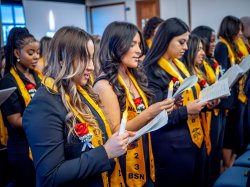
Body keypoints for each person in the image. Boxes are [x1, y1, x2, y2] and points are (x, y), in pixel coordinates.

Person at [23, 26, 131, 187]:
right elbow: (50, 176)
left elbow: (93, 141)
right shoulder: (43, 105)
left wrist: (117, 142)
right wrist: (106, 152)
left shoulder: (81, 91)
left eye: (91, 58)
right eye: (84, 59)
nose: (92, 67)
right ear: (62, 59)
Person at [93, 21, 174, 187]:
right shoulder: (104, 85)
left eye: (139, 44)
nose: (140, 50)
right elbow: (116, 132)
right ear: (115, 46)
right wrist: (150, 113)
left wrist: (162, 110)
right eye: (133, 45)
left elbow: (140, 112)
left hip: (143, 153)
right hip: (123, 163)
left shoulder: (132, 75)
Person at [143, 18, 213, 186]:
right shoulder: (151, 71)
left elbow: (186, 100)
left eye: (186, 42)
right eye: (181, 42)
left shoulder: (178, 65)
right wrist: (186, 110)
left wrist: (205, 103)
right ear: (166, 40)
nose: (186, 48)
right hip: (170, 147)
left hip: (191, 138)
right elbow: (156, 119)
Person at [0, 27, 40, 187]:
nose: (36, 56)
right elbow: (15, 120)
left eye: (38, 52)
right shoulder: (8, 81)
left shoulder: (37, 75)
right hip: (22, 148)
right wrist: (44, 122)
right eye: (31, 53)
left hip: (39, 142)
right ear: (17, 54)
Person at [214, 15, 245, 171]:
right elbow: (222, 74)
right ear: (231, 28)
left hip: (236, 96)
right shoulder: (221, 46)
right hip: (228, 98)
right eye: (238, 29)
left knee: (234, 133)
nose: (240, 33)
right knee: (228, 134)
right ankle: (227, 166)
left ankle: (230, 163)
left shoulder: (232, 45)